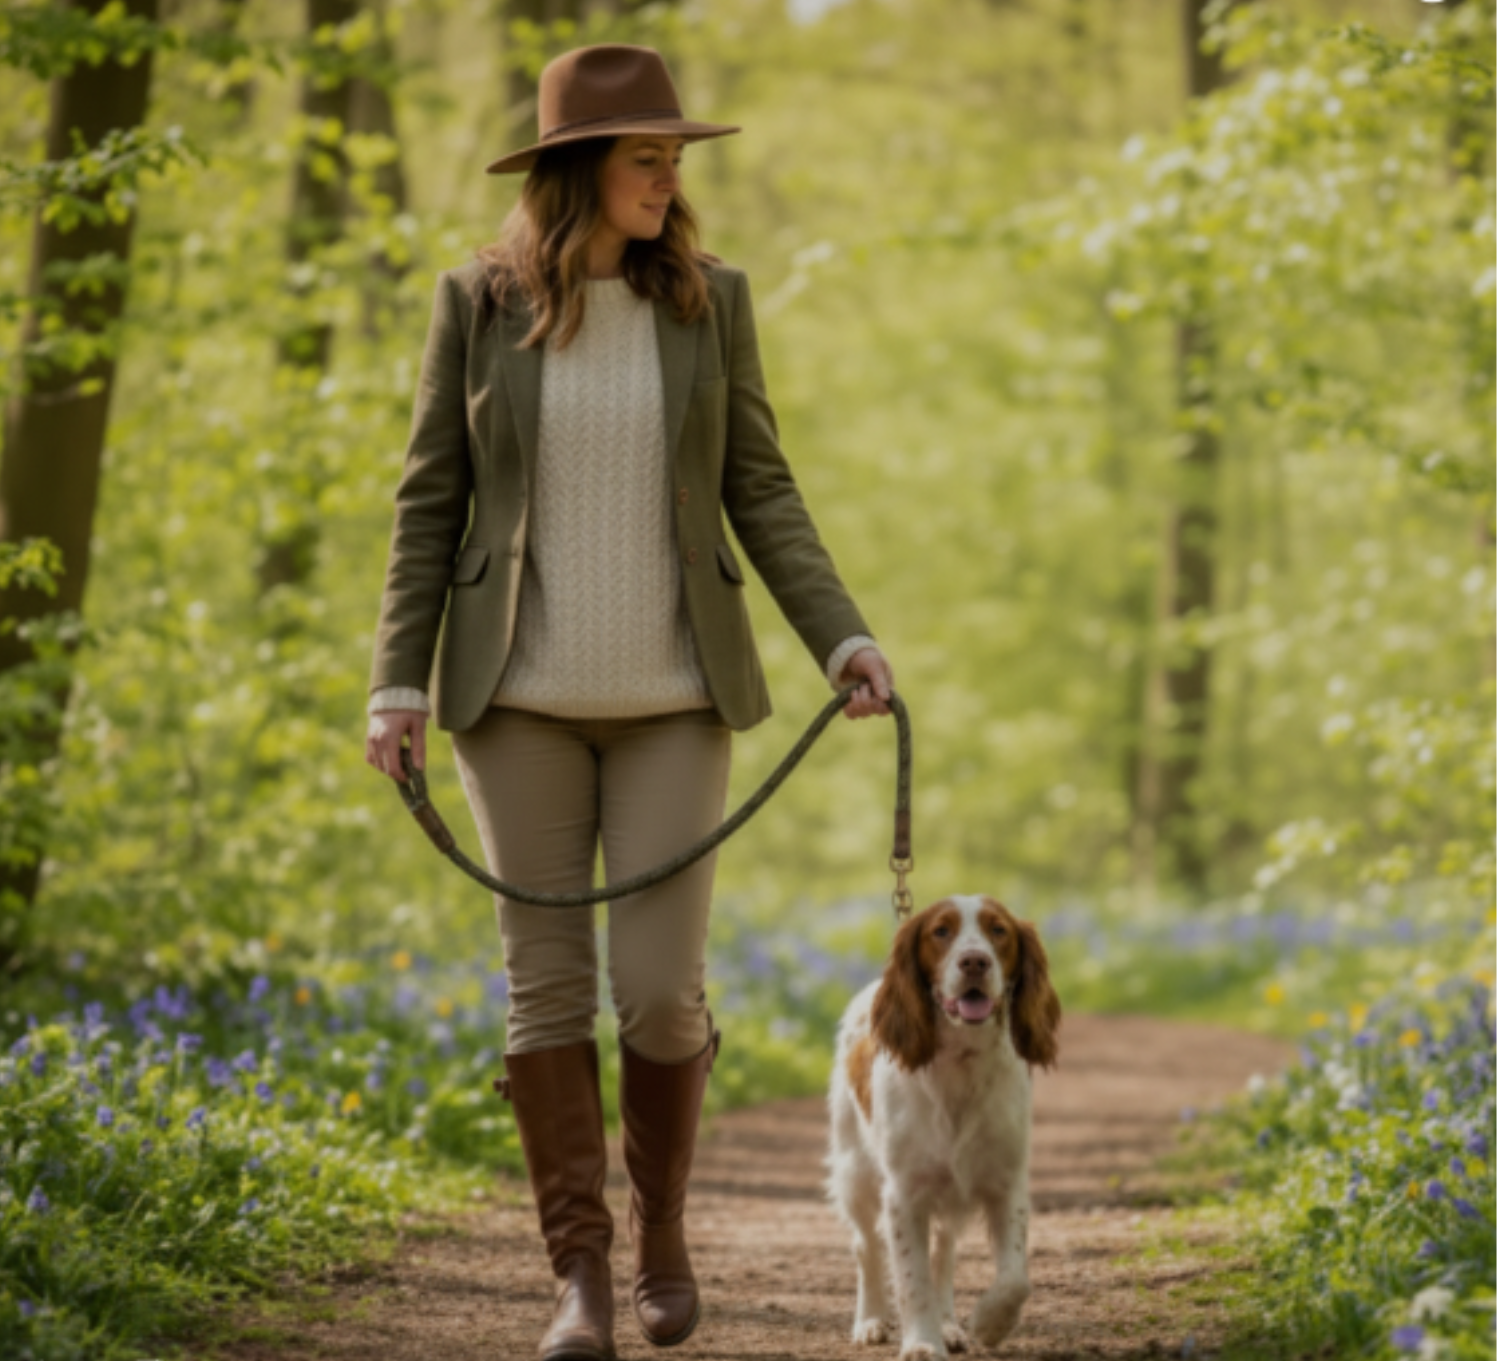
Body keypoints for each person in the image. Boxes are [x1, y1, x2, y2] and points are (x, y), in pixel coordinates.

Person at [363, 42, 893, 1361]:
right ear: (575, 169)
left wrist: (843, 640)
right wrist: (396, 681)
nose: (669, 177)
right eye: (646, 155)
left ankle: (662, 1227)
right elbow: (432, 498)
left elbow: (760, 488)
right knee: (543, 995)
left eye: (673, 158)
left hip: (673, 695)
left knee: (659, 993)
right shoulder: (476, 303)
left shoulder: (710, 301)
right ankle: (580, 1280)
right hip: (512, 700)